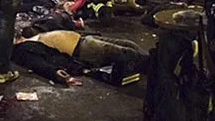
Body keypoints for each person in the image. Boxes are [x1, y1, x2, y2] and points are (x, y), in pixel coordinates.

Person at [12, 30, 148, 84]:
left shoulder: (29, 36)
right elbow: (38, 64)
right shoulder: (23, 50)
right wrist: (55, 73)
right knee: (126, 53)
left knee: (129, 45)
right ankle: (155, 65)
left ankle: (153, 62)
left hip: (85, 39)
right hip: (83, 49)